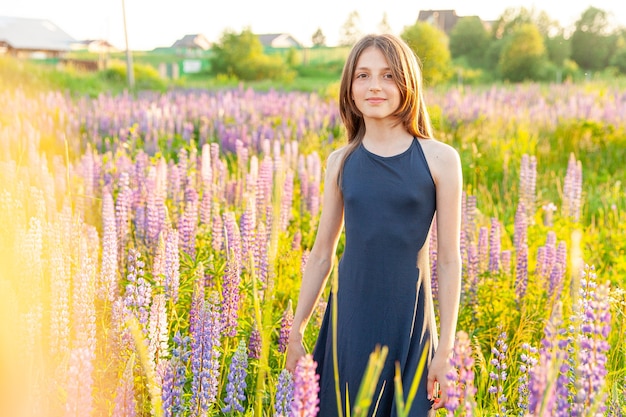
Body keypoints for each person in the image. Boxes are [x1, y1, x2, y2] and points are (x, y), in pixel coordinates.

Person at [285, 33, 462, 416]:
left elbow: (448, 260)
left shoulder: (440, 160)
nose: (374, 86)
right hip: (349, 321)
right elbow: (321, 255)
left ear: (406, 84)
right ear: (349, 88)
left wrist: (445, 350)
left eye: (387, 75)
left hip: (410, 323)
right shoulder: (341, 161)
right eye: (362, 76)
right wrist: (296, 330)